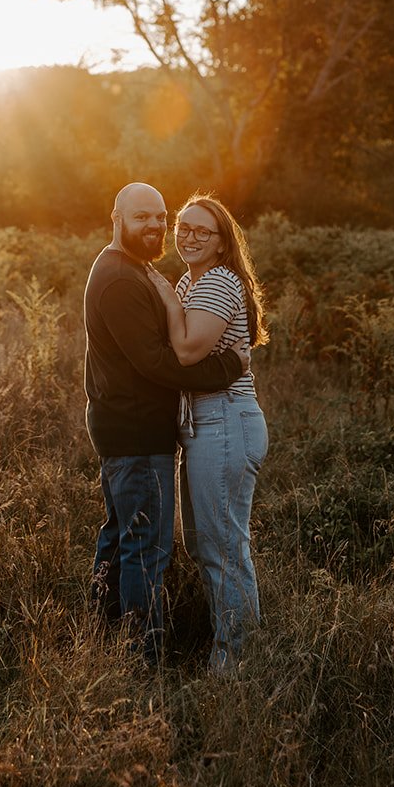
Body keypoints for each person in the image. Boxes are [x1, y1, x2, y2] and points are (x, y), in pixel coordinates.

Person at [84, 181, 247, 665]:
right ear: (116, 219)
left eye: (161, 217)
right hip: (136, 434)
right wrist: (229, 367)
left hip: (131, 430)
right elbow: (155, 361)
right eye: (142, 218)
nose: (155, 226)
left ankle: (101, 639)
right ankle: (142, 658)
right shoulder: (119, 278)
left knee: (120, 538)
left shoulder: (136, 271)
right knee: (147, 549)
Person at [147, 192, 269, 672]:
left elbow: (185, 352)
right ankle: (232, 642)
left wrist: (156, 288)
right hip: (207, 424)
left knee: (223, 546)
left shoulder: (218, 281)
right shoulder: (192, 282)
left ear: (221, 243)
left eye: (202, 230)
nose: (189, 236)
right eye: (183, 226)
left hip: (225, 419)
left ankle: (236, 659)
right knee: (206, 543)